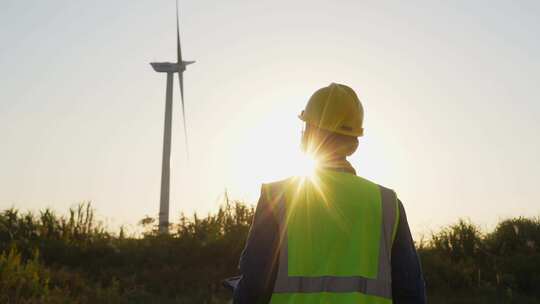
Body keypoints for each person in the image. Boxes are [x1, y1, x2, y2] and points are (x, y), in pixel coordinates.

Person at [233, 83, 426, 304]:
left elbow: (253, 288)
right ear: (354, 142)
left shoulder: (277, 197)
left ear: (310, 134)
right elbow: (411, 293)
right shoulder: (388, 204)